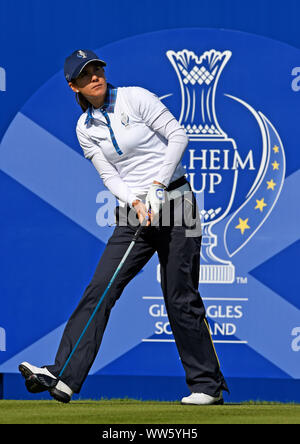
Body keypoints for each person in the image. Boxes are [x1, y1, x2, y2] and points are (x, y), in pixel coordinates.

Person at [19, 49, 228, 405]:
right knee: (101, 287)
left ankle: (207, 386)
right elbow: (108, 174)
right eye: (86, 75)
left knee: (180, 296)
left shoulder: (136, 97)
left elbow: (178, 136)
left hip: (180, 204)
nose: (95, 76)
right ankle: (65, 375)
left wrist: (159, 185)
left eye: (97, 69)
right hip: (136, 212)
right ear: (74, 87)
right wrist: (134, 201)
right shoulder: (84, 128)